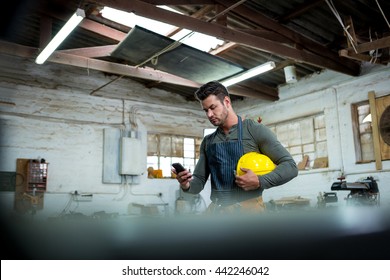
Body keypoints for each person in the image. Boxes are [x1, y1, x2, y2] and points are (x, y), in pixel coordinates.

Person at [173, 81, 298, 213]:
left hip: (249, 212)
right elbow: (198, 182)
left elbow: (290, 166)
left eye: (213, 107)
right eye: (206, 110)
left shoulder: (254, 130)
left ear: (226, 102)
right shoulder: (208, 141)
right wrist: (186, 184)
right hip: (218, 212)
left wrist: (260, 181)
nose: (209, 114)